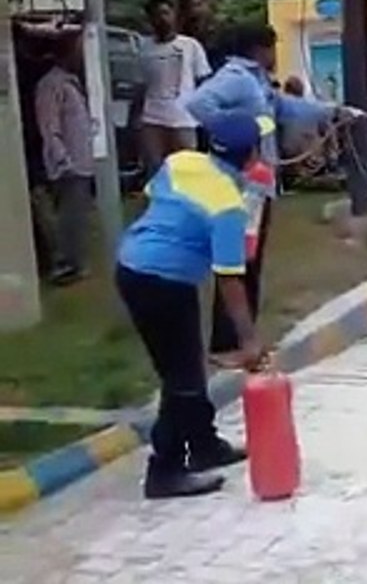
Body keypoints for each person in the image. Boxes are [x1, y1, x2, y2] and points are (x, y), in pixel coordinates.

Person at [116, 110, 271, 498]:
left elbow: (154, 196)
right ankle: (164, 471)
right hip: (160, 282)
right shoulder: (228, 207)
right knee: (181, 377)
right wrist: (249, 341)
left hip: (135, 265)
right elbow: (230, 280)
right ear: (250, 156)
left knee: (187, 364)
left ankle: (203, 446)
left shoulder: (180, 162)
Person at [179, 22, 345, 364]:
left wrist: (334, 112)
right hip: (241, 186)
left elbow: (286, 107)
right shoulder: (237, 76)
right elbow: (198, 104)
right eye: (272, 47)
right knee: (235, 263)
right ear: (259, 49)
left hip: (259, 183)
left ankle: (243, 339)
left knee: (249, 262)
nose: (275, 54)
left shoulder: (257, 82)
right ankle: (226, 344)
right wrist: (235, 131)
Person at [33, 30, 94, 286]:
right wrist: (62, 160)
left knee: (77, 215)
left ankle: (74, 262)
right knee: (68, 216)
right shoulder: (51, 84)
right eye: (79, 49)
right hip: (68, 164)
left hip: (81, 160)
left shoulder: (73, 81)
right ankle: (67, 265)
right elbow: (49, 126)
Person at [139, 0, 211, 171]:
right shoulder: (144, 48)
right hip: (152, 118)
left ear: (174, 15)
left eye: (166, 13)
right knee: (157, 169)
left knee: (187, 169)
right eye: (156, 15)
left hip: (183, 119)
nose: (162, 18)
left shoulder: (190, 46)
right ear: (150, 20)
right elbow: (140, 84)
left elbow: (203, 80)